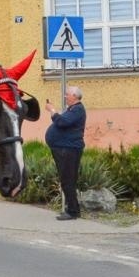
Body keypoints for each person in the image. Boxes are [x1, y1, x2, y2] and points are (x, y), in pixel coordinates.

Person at [43, 86, 86, 220]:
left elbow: (62, 122)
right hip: (64, 148)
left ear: (74, 96)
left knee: (68, 180)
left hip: (69, 149)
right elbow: (62, 123)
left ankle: (73, 212)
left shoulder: (78, 109)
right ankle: (72, 209)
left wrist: (52, 111)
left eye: (67, 95)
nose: (65, 97)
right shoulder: (72, 109)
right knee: (67, 180)